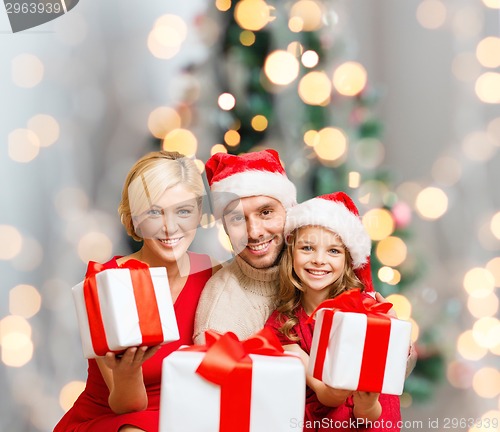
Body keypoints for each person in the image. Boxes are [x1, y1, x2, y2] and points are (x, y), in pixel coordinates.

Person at [54, 151, 219, 432]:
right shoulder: (108, 281)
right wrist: (128, 371)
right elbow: (125, 407)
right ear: (135, 220)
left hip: (184, 419)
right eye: (154, 212)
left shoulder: (213, 274)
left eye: (183, 211)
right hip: (115, 420)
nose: (170, 227)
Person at [194, 149, 377, 344]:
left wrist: (397, 343)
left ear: (289, 210)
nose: (254, 232)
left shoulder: (316, 270)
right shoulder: (222, 314)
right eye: (237, 218)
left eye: (266, 212)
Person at [265, 191, 402, 432]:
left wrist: (391, 340)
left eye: (333, 251)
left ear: (348, 261)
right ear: (291, 254)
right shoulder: (284, 323)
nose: (319, 260)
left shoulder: (365, 312)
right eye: (307, 248)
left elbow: (374, 413)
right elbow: (328, 395)